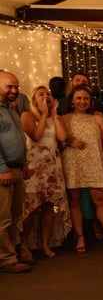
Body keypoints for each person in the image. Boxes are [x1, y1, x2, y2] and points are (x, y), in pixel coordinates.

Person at [62, 85, 103, 252]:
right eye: (79, 98)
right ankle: (80, 237)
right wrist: (68, 141)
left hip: (95, 163)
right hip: (73, 164)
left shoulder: (98, 118)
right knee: (74, 201)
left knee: (102, 200)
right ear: (72, 101)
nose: (82, 101)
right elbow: (59, 141)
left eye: (86, 98)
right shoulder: (64, 119)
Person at [18, 86, 71, 261]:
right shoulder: (27, 116)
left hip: (52, 165)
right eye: (41, 94)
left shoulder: (56, 117)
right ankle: (24, 244)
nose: (46, 96)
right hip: (34, 165)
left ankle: (45, 244)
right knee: (32, 207)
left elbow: (62, 138)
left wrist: (54, 115)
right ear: (34, 99)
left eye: (48, 94)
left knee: (49, 205)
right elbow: (36, 136)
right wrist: (43, 115)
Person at [0, 70, 32, 273]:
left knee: (15, 215)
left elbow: (19, 136)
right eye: (9, 86)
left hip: (16, 168)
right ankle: (5, 259)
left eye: (16, 86)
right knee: (3, 217)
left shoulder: (11, 109)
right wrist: (2, 169)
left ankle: (12, 253)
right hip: (4, 171)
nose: (14, 90)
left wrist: (24, 162)